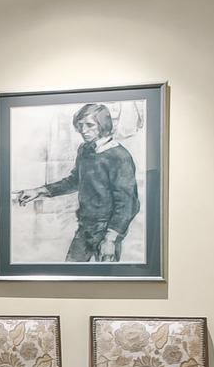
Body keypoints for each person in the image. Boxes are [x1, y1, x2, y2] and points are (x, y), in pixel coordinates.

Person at [13, 102, 138, 262]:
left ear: (103, 125)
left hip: (108, 230)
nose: (83, 130)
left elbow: (128, 204)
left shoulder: (120, 157)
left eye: (89, 125)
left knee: (106, 283)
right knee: (70, 273)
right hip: (85, 227)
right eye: (80, 125)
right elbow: (74, 181)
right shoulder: (85, 150)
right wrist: (39, 191)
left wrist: (110, 239)